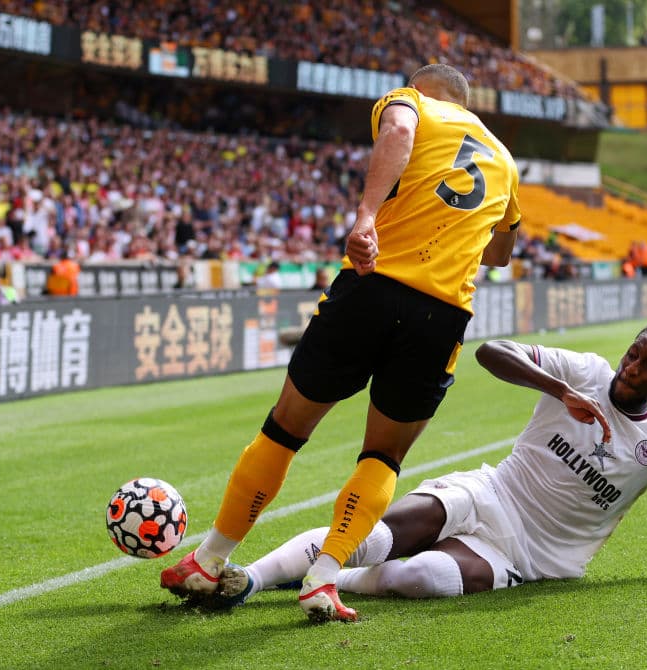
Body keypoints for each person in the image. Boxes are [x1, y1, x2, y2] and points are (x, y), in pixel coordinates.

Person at [160, 63, 522, 623]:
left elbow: (397, 131)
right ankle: (324, 578)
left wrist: (367, 216)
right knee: (383, 455)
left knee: (284, 429)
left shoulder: (411, 102)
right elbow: (499, 254)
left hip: (373, 285)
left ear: (421, 88)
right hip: (442, 314)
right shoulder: (505, 160)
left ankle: (208, 561)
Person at [192, 326, 647, 613]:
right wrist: (559, 389)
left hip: (533, 554)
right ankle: (248, 581)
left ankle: (334, 581)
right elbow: (491, 351)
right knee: (380, 529)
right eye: (633, 354)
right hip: (490, 491)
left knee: (421, 577)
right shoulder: (584, 372)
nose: (631, 368)